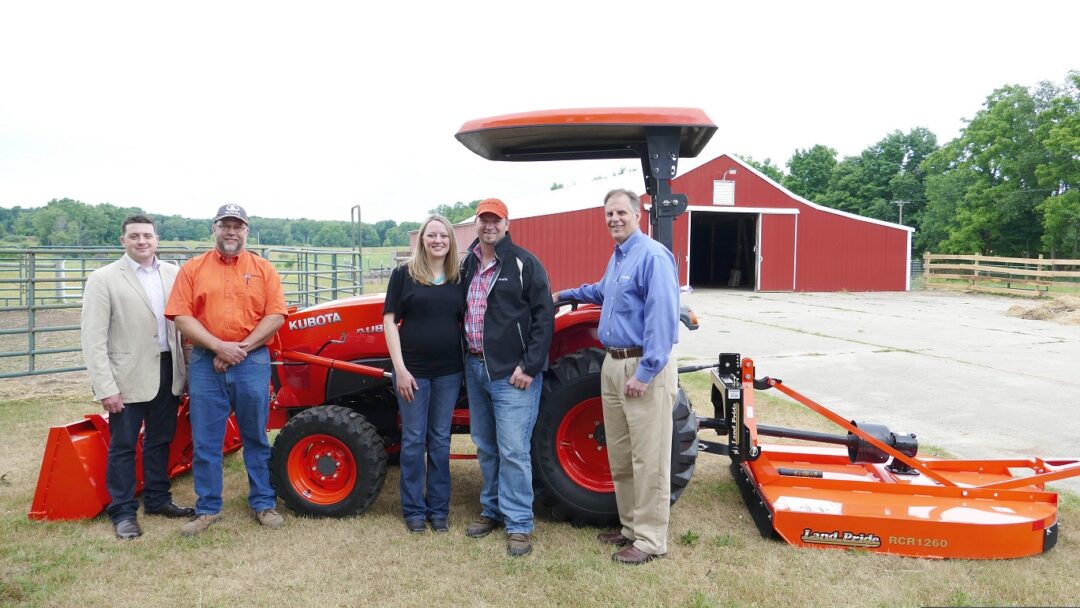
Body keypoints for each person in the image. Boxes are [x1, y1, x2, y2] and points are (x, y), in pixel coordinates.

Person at [552, 189, 680, 565]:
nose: (614, 219)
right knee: (621, 456)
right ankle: (629, 528)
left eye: (621, 212)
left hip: (641, 367)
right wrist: (563, 294)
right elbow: (601, 291)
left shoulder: (653, 256)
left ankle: (652, 540)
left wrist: (645, 372)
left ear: (637, 215)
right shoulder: (620, 256)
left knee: (649, 458)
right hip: (612, 365)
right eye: (609, 213)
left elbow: (662, 318)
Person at [165, 204, 288, 537]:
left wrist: (239, 349)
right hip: (207, 363)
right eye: (225, 225)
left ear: (246, 231)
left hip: (252, 361)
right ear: (214, 229)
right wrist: (219, 347)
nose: (231, 232)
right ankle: (207, 508)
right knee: (206, 439)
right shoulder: (193, 269)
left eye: (238, 226)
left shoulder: (263, 269)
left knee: (256, 436)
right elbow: (181, 316)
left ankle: (263, 503)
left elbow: (275, 315)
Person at [81, 214, 196, 539]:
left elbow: (182, 326)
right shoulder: (103, 279)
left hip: (167, 369)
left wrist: (186, 372)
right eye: (135, 236)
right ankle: (123, 512)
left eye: (147, 235)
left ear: (157, 239)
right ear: (124, 241)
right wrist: (106, 386)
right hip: (126, 375)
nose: (142, 241)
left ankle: (158, 499)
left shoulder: (173, 274)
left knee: (161, 439)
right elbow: (93, 338)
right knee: (124, 445)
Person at [460, 198, 554, 557]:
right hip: (474, 365)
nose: (489, 226)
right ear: (477, 223)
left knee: (514, 449)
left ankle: (519, 525)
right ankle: (492, 510)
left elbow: (544, 317)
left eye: (495, 220)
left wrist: (529, 366)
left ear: (506, 223)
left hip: (511, 372)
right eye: (484, 220)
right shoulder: (468, 264)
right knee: (486, 444)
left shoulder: (524, 263)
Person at [383, 214, 465, 534]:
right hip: (412, 372)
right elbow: (390, 321)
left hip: (448, 372)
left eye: (443, 236)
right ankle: (414, 509)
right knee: (415, 440)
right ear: (422, 240)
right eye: (431, 235)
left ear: (450, 240)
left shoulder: (459, 275)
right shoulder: (404, 274)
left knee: (441, 441)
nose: (437, 241)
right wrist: (400, 370)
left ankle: (439, 509)